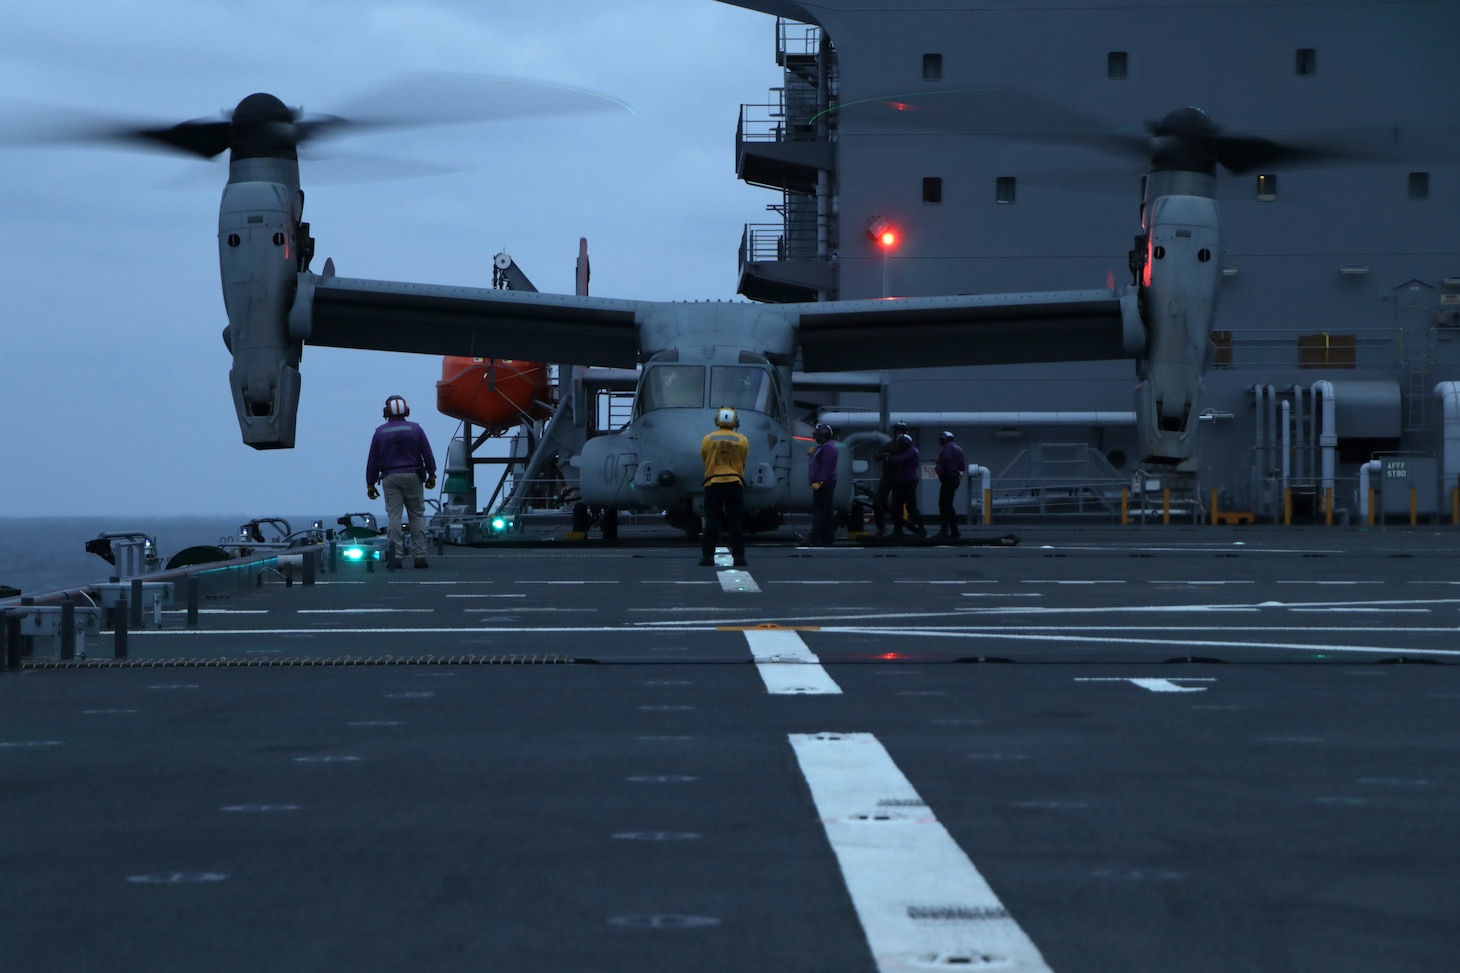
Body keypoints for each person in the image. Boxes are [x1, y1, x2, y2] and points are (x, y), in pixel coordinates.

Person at [366, 395, 437, 570]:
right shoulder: (416, 429)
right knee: (417, 516)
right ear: (406, 411)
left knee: (394, 517)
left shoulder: (380, 432)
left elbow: (373, 460)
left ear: (386, 412)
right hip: (413, 476)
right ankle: (420, 556)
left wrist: (370, 483)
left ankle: (396, 556)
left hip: (390, 478)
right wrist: (432, 474)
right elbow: (427, 453)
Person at [700, 406, 749, 567]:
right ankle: (739, 556)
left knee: (712, 521)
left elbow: (704, 457)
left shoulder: (708, 439)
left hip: (713, 483)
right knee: (735, 521)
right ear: (736, 421)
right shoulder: (742, 440)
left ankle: (707, 557)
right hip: (734, 483)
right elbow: (743, 459)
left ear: (717, 420)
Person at [872, 421, 909, 536]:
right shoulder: (888, 445)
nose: (899, 434)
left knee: (897, 503)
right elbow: (876, 456)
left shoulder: (908, 446)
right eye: (898, 431)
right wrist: (884, 456)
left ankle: (898, 529)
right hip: (888, 475)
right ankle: (881, 527)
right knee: (878, 501)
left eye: (901, 432)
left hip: (900, 477)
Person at [885, 432, 926, 537]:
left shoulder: (912, 451)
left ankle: (921, 528)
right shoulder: (909, 450)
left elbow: (901, 459)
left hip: (908, 482)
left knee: (910, 506)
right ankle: (898, 530)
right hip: (902, 481)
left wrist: (889, 457)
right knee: (897, 506)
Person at [807, 422, 838, 546]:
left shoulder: (828, 448)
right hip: (824, 483)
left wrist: (820, 482)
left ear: (824, 435)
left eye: (818, 435)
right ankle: (827, 537)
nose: (815, 437)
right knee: (827, 511)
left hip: (824, 484)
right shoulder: (824, 447)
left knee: (820, 511)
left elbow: (826, 467)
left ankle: (814, 537)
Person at [934, 430, 967, 540]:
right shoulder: (959, 449)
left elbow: (946, 458)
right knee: (948, 505)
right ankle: (954, 531)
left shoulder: (948, 446)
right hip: (954, 478)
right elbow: (962, 467)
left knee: (943, 505)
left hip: (948, 477)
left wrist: (939, 462)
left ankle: (944, 532)